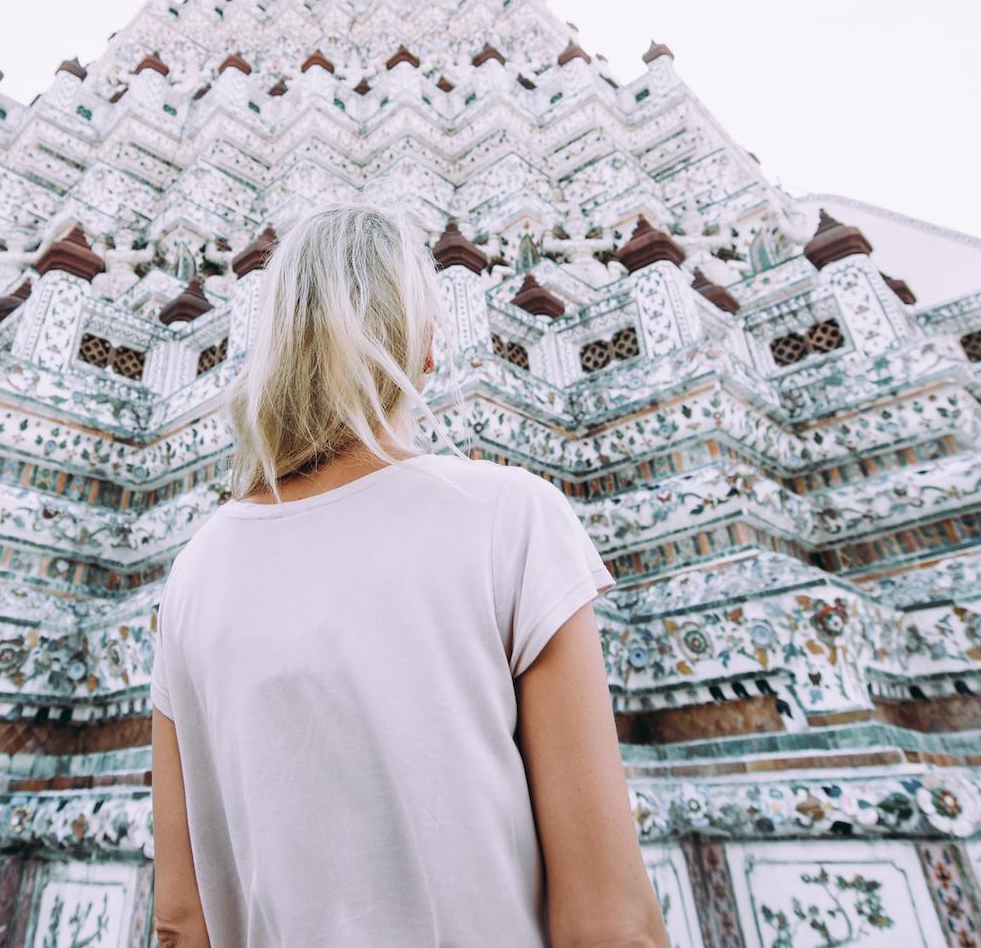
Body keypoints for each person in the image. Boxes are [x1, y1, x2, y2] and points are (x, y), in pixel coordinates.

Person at [151, 204, 669, 948]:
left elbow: (180, 921)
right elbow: (607, 921)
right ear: (428, 347)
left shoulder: (194, 574)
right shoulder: (509, 518)